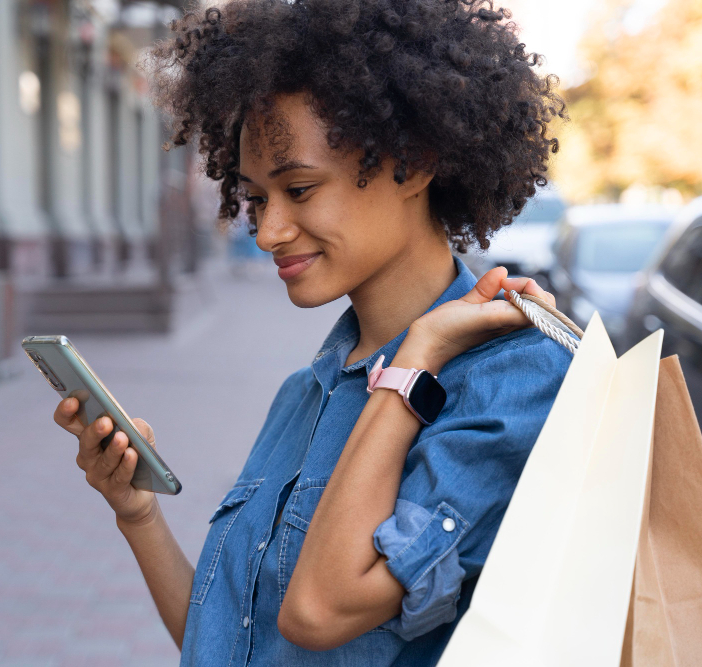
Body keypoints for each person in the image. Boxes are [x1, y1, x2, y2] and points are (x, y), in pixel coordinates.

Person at [54, 1, 569, 664]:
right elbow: (231, 644)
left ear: (412, 164)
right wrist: (137, 513)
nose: (267, 231)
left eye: (298, 189)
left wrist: (416, 360)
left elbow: (317, 612)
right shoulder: (307, 390)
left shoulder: (514, 376)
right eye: (258, 198)